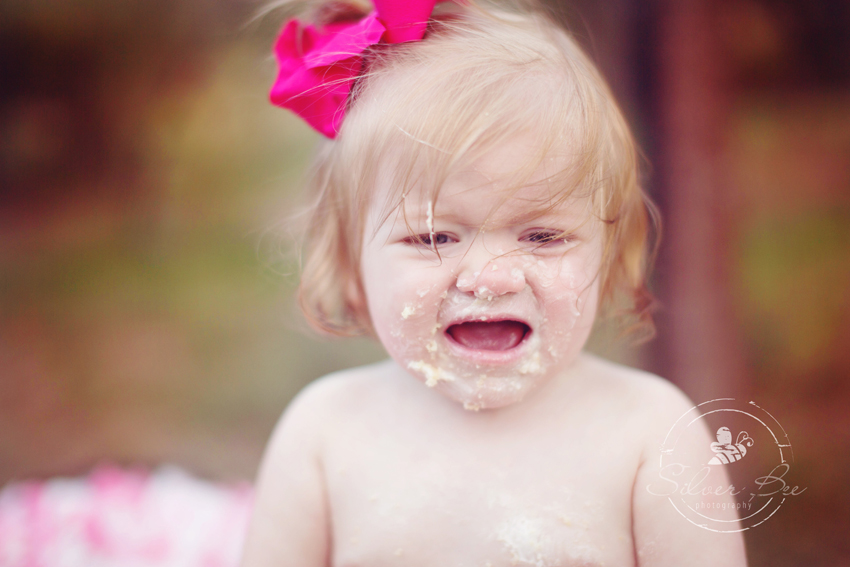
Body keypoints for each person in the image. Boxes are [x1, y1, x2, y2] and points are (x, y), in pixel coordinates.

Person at [241, 1, 749, 565]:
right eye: (433, 238)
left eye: (542, 237)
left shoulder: (650, 435)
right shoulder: (324, 436)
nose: (490, 278)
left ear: (609, 255)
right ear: (347, 264)